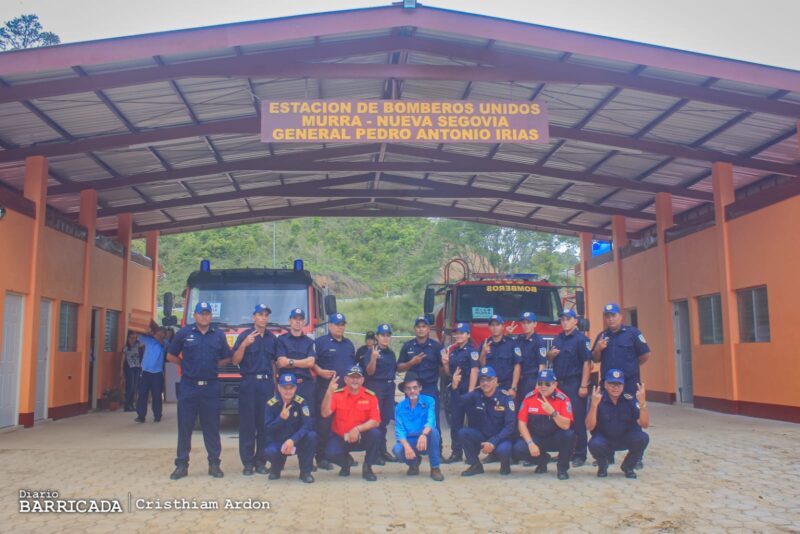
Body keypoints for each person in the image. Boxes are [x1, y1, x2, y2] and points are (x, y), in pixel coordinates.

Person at [165, 301, 233, 480]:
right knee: (185, 426)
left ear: (211, 316)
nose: (204, 316)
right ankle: (181, 465)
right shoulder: (184, 333)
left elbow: (227, 357)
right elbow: (171, 355)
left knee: (212, 427)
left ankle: (214, 464)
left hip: (210, 386)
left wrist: (213, 367)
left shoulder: (218, 335)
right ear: (194, 315)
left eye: (207, 313)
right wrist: (184, 365)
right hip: (189, 386)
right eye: (201, 313)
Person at [232, 303, 279, 476]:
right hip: (249, 383)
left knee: (264, 424)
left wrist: (275, 386)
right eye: (260, 315)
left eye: (266, 315)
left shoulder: (272, 339)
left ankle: (260, 462)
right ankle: (247, 463)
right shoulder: (244, 336)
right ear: (253, 317)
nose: (263, 318)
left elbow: (274, 364)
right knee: (247, 424)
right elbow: (235, 360)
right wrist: (244, 345)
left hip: (266, 384)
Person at [545, 309, 591, 467]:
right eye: (562, 320)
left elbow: (587, 363)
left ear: (575, 321)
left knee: (577, 420)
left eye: (567, 319)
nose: (564, 322)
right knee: (560, 420)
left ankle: (580, 454)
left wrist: (584, 385)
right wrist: (550, 355)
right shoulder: (558, 339)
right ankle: (565, 452)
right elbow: (550, 359)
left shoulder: (581, 340)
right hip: (559, 385)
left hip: (574, 383)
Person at [320, 366, 382, 481]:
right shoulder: (337, 395)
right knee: (330, 453)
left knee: (376, 434)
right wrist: (329, 392)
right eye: (352, 377)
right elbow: (324, 413)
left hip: (361, 437)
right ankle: (346, 463)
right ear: (346, 379)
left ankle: (367, 468)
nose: (355, 380)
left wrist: (357, 429)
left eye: (358, 377)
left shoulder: (370, 396)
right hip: (342, 437)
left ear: (362, 380)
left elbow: (375, 421)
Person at [512, 369, 576, 480]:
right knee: (518, 448)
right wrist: (530, 443)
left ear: (555, 384)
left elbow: (566, 425)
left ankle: (562, 468)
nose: (543, 387)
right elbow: (521, 423)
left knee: (569, 435)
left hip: (554, 438)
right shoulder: (529, 398)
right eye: (540, 383)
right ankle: (542, 461)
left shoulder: (563, 399)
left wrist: (553, 413)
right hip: (536, 438)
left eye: (547, 384)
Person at [313, 312, 357, 470]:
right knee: (324, 425)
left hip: (345, 393)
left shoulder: (349, 344)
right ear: (330, 326)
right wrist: (319, 371)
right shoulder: (320, 343)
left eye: (342, 324)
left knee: (343, 424)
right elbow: (312, 362)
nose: (340, 327)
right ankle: (321, 457)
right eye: (337, 324)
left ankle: (343, 454)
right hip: (327, 391)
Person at [586, 369, 650, 479]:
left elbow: (644, 424)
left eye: (619, 384)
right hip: (604, 439)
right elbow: (589, 426)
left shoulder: (629, 399)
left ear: (623, 386)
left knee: (642, 438)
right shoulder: (598, 399)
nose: (616, 388)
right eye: (612, 384)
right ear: (605, 385)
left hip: (625, 438)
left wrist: (642, 403)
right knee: (594, 444)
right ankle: (603, 465)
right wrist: (594, 405)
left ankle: (628, 466)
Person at [453, 366, 516, 476]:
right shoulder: (476, 395)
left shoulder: (505, 398)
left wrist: (493, 442)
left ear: (495, 381)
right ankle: (475, 465)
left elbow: (510, 426)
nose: (485, 383)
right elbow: (458, 403)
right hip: (483, 435)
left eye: (488, 380)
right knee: (463, 433)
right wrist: (454, 387)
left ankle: (505, 464)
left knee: (504, 450)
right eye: (482, 380)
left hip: (500, 438)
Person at [397, 316, 444, 450]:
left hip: (429, 388)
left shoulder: (436, 347)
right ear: (415, 329)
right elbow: (399, 367)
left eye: (424, 326)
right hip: (412, 389)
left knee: (433, 419)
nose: (421, 329)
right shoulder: (408, 346)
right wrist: (411, 362)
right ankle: (412, 449)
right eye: (418, 327)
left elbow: (443, 368)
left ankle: (437, 450)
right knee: (411, 419)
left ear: (428, 329)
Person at [263, 373, 316, 483]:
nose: (288, 391)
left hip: (296, 441)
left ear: (295, 388)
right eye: (284, 388)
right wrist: (281, 419)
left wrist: (293, 440)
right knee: (270, 451)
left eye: (291, 388)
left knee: (311, 436)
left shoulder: (301, 402)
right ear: (279, 388)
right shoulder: (271, 404)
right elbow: (267, 429)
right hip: (279, 442)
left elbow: (308, 425)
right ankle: (275, 468)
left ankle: (305, 472)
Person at [393, 371, 444, 481]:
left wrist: (423, 434)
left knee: (434, 432)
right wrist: (406, 446)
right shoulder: (399, 407)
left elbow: (431, 421)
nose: (412, 391)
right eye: (408, 388)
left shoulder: (429, 401)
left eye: (415, 387)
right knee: (397, 449)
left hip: (425, 439)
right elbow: (399, 430)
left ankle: (435, 468)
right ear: (405, 390)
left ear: (420, 388)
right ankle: (414, 463)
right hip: (410, 440)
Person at [591, 303, 651, 397]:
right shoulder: (602, 336)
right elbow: (595, 359)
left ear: (621, 316)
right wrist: (598, 350)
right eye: (607, 316)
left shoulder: (633, 333)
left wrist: (632, 365)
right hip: (608, 384)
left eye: (613, 315)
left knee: (631, 406)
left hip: (629, 383)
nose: (610, 319)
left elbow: (645, 354)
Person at [440, 322, 479, 464]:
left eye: (462, 333)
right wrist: (445, 363)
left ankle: (472, 454)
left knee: (473, 423)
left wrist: (471, 391)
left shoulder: (472, 351)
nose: (458, 336)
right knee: (456, 423)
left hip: (468, 390)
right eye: (457, 333)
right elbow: (449, 373)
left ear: (468, 335)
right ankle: (456, 453)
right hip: (456, 390)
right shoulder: (453, 352)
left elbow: (474, 371)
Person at [362, 323, 398, 465]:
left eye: (387, 335)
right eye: (382, 335)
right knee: (375, 421)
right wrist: (373, 358)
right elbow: (369, 372)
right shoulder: (371, 351)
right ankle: (374, 453)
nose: (385, 338)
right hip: (376, 386)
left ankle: (382, 450)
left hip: (389, 387)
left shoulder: (391, 353)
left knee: (385, 420)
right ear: (377, 336)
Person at [276, 308, 317, 418]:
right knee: (287, 418)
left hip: (305, 386)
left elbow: (310, 363)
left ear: (304, 322)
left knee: (307, 418)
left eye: (300, 319)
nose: (298, 321)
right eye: (295, 318)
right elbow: (281, 362)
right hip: (287, 386)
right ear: (290, 321)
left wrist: (290, 361)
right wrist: (302, 362)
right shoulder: (281, 340)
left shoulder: (309, 341)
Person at [479, 315, 521, 399]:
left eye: (497, 325)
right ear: (489, 327)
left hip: (506, 387)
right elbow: (482, 367)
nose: (495, 327)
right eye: (492, 325)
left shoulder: (511, 343)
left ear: (503, 327)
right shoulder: (485, 344)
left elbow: (517, 366)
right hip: (489, 388)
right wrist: (483, 352)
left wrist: (513, 387)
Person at [135, 321, 167, 423]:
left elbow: (160, 341)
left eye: (162, 333)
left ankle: (157, 415)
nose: (160, 334)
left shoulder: (164, 343)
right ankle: (141, 416)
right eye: (159, 332)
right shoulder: (149, 340)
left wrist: (153, 334)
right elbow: (139, 335)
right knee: (142, 394)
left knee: (157, 395)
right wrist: (147, 331)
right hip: (145, 372)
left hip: (157, 373)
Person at [515, 312, 546, 399]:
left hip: (531, 380)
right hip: (519, 380)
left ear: (535, 324)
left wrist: (538, 384)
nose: (526, 325)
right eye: (523, 323)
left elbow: (542, 365)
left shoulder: (539, 341)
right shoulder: (519, 339)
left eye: (528, 323)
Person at [120, 331, 143, 412]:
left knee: (135, 386)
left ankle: (131, 404)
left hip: (136, 367)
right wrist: (121, 370)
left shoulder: (137, 345)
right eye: (132, 338)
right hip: (129, 367)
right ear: (128, 338)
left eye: (135, 338)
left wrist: (139, 336)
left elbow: (144, 343)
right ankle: (126, 405)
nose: (133, 339)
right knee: (130, 386)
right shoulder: (126, 347)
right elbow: (123, 359)